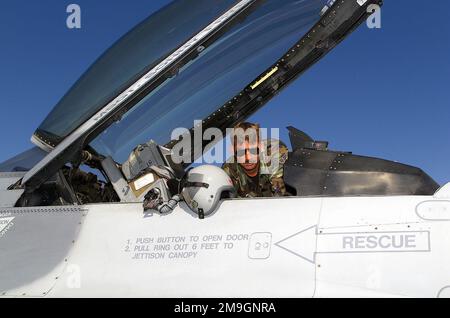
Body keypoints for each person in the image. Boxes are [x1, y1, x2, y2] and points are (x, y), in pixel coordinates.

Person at [222, 122, 289, 198]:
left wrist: (276, 179)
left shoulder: (274, 152)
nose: (248, 158)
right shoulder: (229, 171)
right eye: (241, 152)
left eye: (253, 150)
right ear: (232, 150)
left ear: (261, 146)